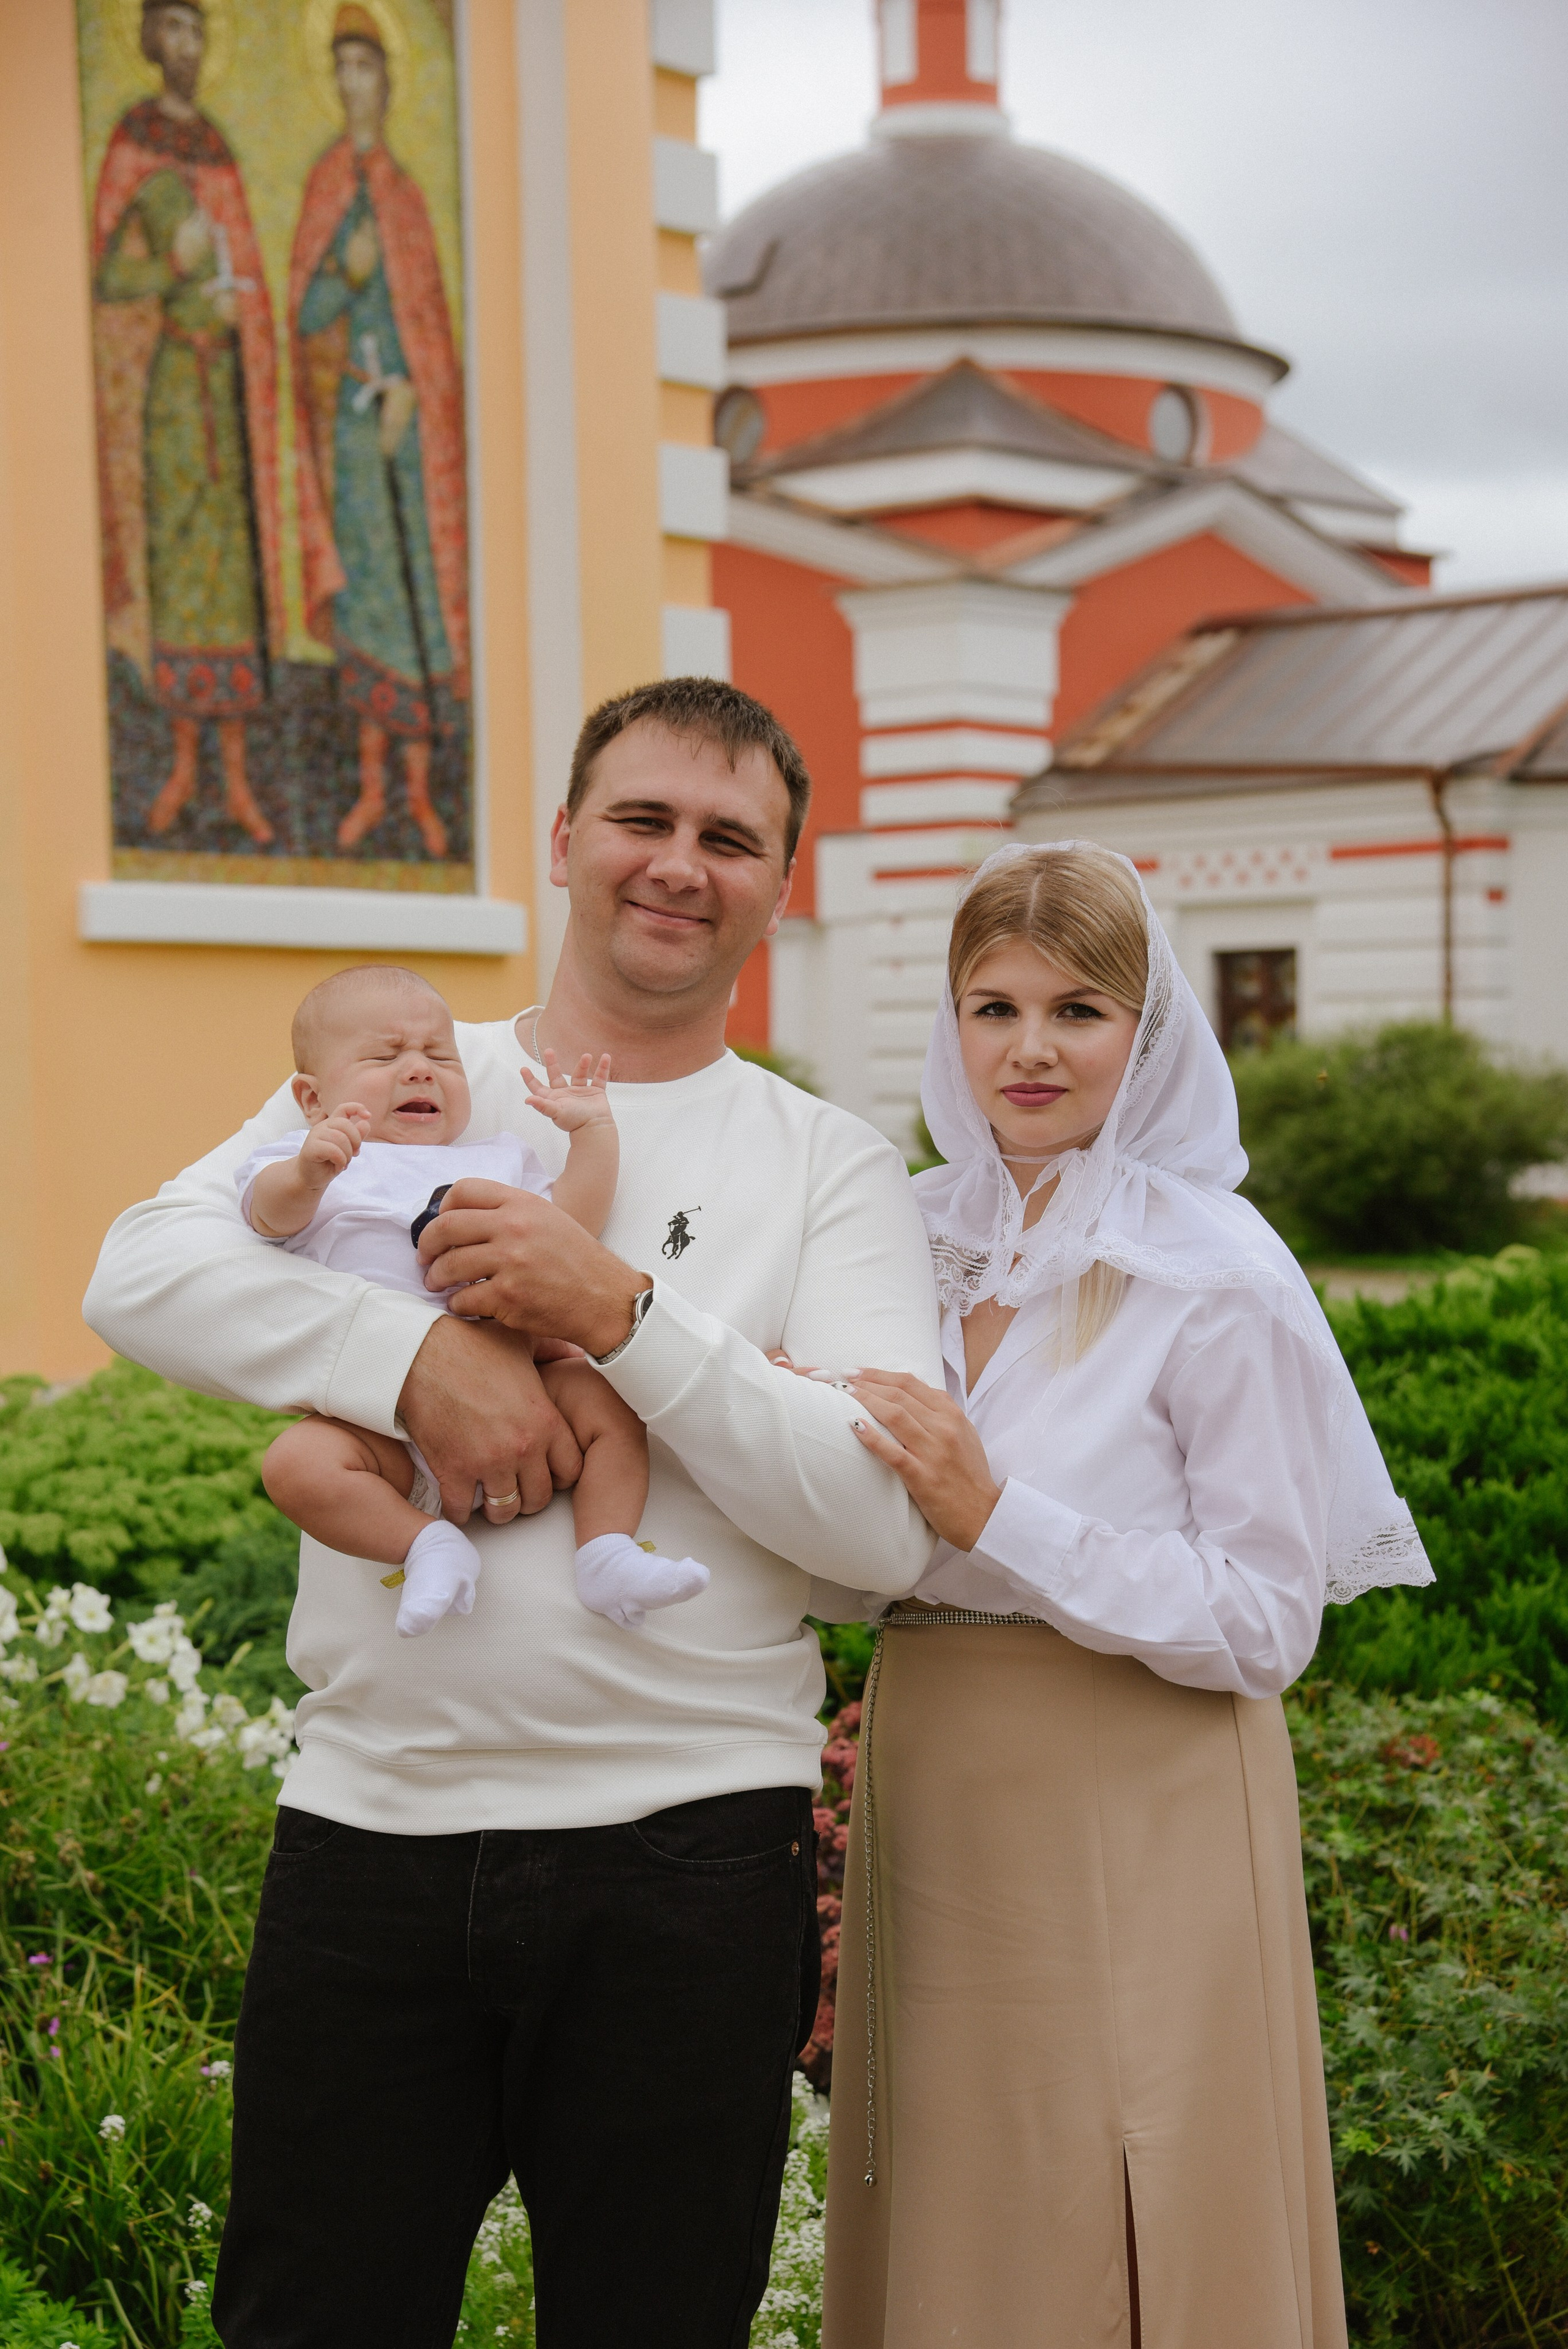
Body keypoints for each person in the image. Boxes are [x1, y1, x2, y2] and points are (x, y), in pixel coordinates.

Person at [83, 676, 941, 2349]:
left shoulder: (828, 1162)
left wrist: (622, 1313)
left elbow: (879, 1538)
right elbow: (142, 1274)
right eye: (642, 819)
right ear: (563, 839)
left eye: (729, 837)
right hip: (373, 1831)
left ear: (781, 878)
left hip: (689, 1858)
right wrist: (415, 1361)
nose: (677, 864)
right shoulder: (405, 1066)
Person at [820, 842, 1434, 2349]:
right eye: (993, 1003)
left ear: (1146, 1028)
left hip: (1137, 1780)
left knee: (1127, 2157)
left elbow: (1263, 1614)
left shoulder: (1209, 1266)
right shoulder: (894, 1230)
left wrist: (997, 1510)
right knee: (955, 2166)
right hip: (934, 1759)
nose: (1028, 1047)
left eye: (1078, 1008)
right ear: (948, 1023)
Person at [240, 963, 709, 1638]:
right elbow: (266, 1218)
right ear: (312, 1097)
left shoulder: (498, 1157)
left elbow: (570, 1225)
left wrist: (593, 1135)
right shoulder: (306, 1160)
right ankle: (424, 1544)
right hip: (379, 1419)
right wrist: (310, 1171)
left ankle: (605, 1550)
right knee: (294, 1464)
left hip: (526, 1377)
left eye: (440, 1056)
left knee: (608, 1397)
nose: (420, 1070)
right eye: (384, 1055)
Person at [92, 0, 284, 846]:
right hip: (172, 394)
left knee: (229, 580)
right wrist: (167, 267)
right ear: (148, 42)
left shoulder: (218, 149)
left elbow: (250, 269)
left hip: (224, 391)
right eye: (173, 28)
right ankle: (178, 768)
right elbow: (108, 274)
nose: (188, 46)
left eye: (199, 31)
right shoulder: (134, 142)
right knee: (179, 575)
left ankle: (238, 779)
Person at [289, 5, 469, 859]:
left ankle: (425, 797)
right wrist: (341, 270)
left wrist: (419, 397)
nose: (356, 83)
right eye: (345, 68)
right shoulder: (329, 187)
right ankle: (368, 792)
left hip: (411, 438)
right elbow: (307, 315)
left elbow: (433, 329)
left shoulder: (404, 196)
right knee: (367, 610)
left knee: (417, 604)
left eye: (369, 67)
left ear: (390, 83)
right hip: (355, 444)